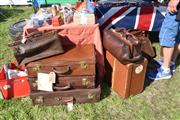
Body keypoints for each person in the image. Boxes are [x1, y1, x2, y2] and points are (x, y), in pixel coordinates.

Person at [148, 0, 180, 80]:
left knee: (167, 35)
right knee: (178, 34)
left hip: (176, 6)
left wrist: (174, 0)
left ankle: (165, 70)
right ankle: (171, 63)